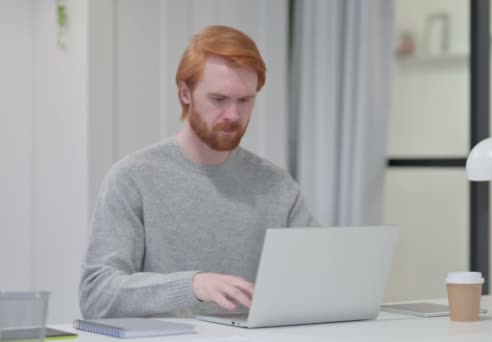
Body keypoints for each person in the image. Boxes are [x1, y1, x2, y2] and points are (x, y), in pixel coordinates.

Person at [79, 25, 317, 319]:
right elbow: (96, 295)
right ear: (185, 92)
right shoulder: (133, 178)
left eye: (245, 101)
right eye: (219, 99)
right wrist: (193, 285)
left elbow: (316, 277)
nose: (233, 114)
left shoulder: (277, 187)